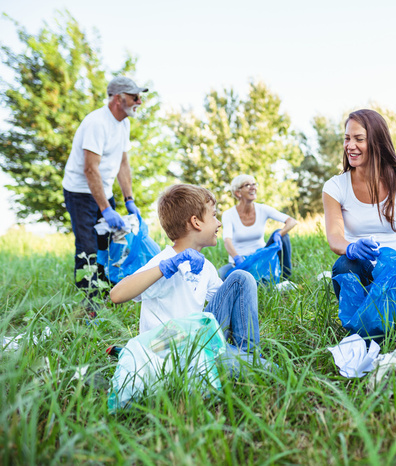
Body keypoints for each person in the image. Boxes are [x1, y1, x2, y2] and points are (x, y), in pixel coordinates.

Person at [110, 184, 267, 369]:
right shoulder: (164, 261)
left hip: (198, 340)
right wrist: (167, 266)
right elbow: (117, 295)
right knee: (270, 370)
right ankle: (246, 362)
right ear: (196, 222)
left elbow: (227, 301)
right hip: (169, 351)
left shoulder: (205, 267)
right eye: (214, 215)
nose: (219, 223)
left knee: (242, 278)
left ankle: (249, 353)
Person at [322, 109, 396, 299]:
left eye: (359, 139)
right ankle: (362, 320)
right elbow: (335, 237)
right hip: (364, 269)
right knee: (343, 266)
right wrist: (351, 248)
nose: (350, 146)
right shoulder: (335, 187)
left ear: (377, 142)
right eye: (347, 139)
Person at [62, 76, 147, 303]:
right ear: (119, 98)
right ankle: (89, 300)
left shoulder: (124, 123)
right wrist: (106, 209)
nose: (139, 101)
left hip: (103, 191)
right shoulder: (96, 123)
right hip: (80, 193)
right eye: (135, 97)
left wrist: (129, 199)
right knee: (88, 246)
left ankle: (107, 290)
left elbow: (122, 163)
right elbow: (90, 170)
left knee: (110, 243)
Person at [218, 175, 297, 280]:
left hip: (261, 259)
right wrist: (237, 258)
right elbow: (227, 241)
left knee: (282, 235)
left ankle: (286, 278)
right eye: (247, 185)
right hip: (240, 263)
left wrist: (279, 234)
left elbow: (292, 221)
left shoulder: (262, 209)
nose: (253, 187)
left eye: (254, 184)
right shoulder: (229, 214)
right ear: (238, 192)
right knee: (220, 275)